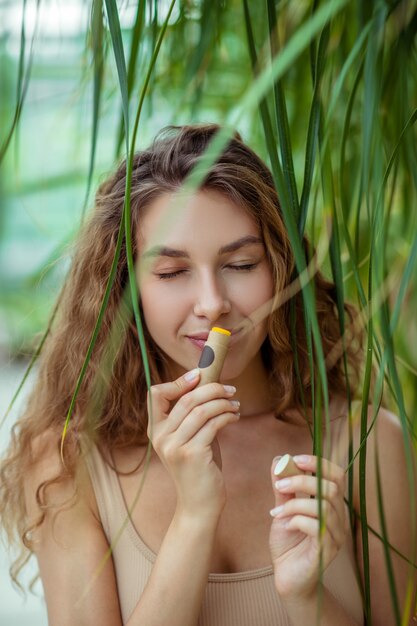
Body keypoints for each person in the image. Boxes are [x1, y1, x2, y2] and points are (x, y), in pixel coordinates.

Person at [0, 124, 415, 626]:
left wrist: (307, 595)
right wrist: (194, 517)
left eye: (241, 264)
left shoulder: (371, 445)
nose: (213, 303)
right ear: (126, 289)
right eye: (172, 273)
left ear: (282, 268)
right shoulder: (67, 464)